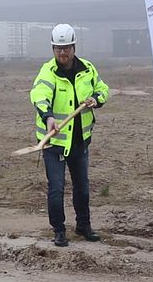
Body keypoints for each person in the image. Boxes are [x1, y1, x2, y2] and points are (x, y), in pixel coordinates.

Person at [30, 23, 109, 247]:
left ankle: (84, 225)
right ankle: (59, 230)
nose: (62, 53)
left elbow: (103, 88)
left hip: (79, 142)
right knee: (56, 189)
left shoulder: (87, 69)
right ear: (53, 49)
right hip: (54, 142)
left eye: (66, 48)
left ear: (74, 47)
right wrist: (48, 117)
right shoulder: (48, 71)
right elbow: (39, 94)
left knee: (82, 187)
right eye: (58, 48)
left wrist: (97, 99)